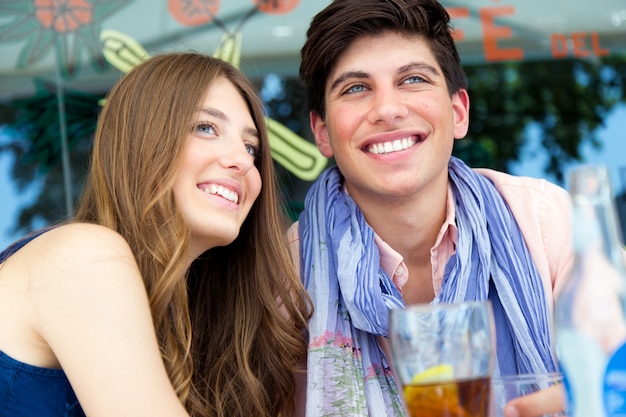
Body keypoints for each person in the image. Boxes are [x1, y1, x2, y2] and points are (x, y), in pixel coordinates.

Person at [288, 0, 573, 416]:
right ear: (322, 133)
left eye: (413, 79)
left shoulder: (546, 221)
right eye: (355, 88)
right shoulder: (280, 274)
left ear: (458, 113)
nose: (387, 109)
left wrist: (584, 398)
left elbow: (612, 365)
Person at [0, 52, 310, 417]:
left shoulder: (193, 327)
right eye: (206, 128)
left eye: (251, 148)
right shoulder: (81, 256)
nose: (242, 161)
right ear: (143, 142)